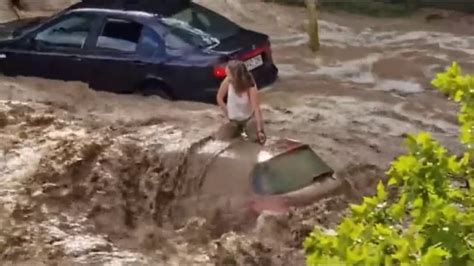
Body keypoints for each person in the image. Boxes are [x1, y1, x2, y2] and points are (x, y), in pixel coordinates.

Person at [215, 60, 267, 144]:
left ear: (235, 76)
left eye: (229, 74)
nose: (227, 76)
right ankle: (237, 131)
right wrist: (227, 114)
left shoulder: (250, 85)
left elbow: (256, 109)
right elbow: (219, 98)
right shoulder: (227, 81)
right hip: (233, 120)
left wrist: (259, 130)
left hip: (248, 119)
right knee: (220, 139)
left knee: (256, 140)